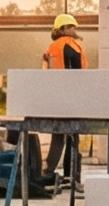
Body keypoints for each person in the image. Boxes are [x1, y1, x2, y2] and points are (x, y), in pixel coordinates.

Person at [34, 13, 88, 191]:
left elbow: (45, 74)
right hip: (71, 98)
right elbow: (78, 74)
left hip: (55, 98)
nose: (74, 30)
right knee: (73, 137)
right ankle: (72, 176)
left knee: (58, 136)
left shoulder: (50, 48)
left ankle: (49, 171)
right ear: (63, 29)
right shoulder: (71, 46)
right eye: (71, 27)